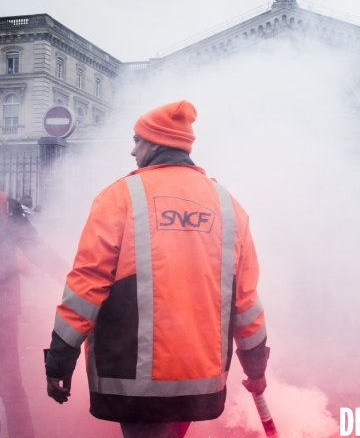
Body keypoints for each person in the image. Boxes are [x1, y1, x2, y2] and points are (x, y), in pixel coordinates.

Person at [44, 100, 270, 438]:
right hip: (200, 381)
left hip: (136, 385)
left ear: (155, 143)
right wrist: (256, 368)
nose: (133, 151)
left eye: (137, 140)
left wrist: (60, 360)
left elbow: (85, 288)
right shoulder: (227, 205)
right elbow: (246, 301)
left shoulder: (119, 198)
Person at [1, 191, 68, 438]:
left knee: (10, 387)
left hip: (3, 313)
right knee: (11, 388)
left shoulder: (4, 204)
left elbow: (34, 247)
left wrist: (72, 280)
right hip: (4, 310)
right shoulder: (4, 204)